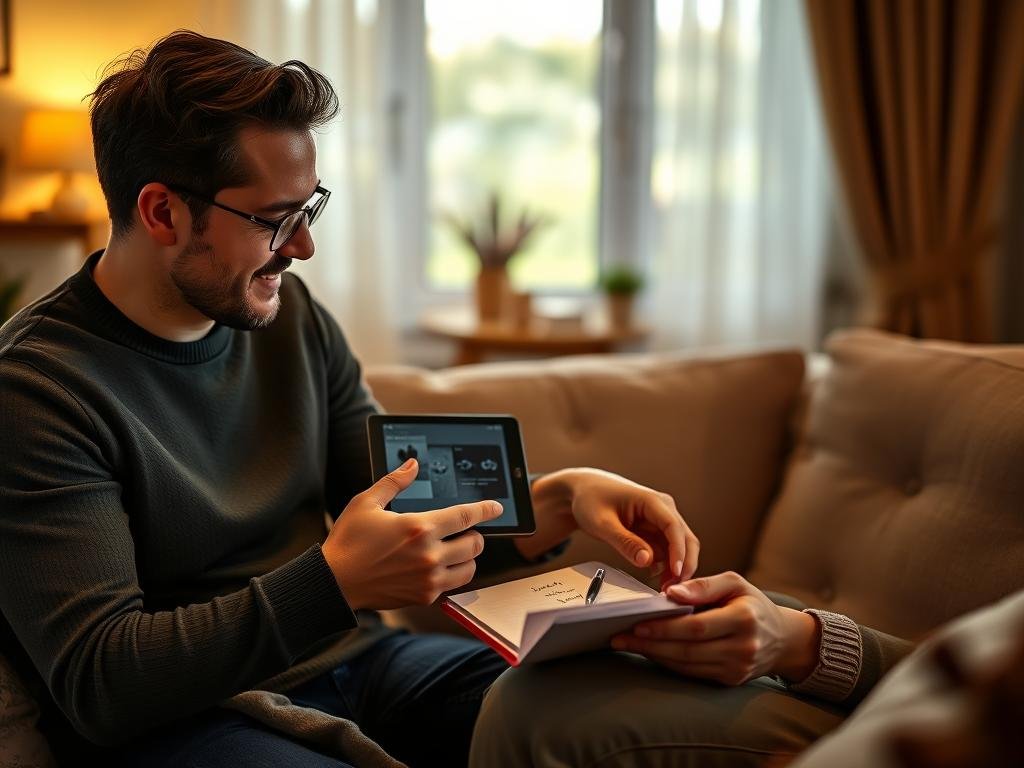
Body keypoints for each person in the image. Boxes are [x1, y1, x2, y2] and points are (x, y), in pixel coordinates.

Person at [0, 31, 699, 768]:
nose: (302, 248)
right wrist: (331, 584)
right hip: (195, 719)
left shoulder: (290, 318)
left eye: (310, 209)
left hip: (364, 665)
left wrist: (557, 501)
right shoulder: (37, 391)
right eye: (274, 219)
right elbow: (102, 684)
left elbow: (399, 506)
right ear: (162, 213)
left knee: (607, 712)